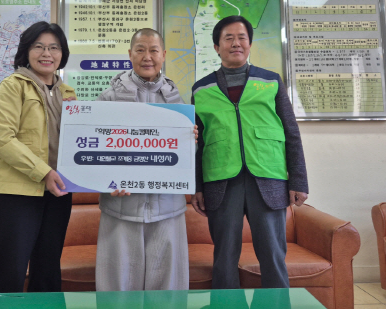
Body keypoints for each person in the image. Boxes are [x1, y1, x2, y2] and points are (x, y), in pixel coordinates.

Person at [190, 15, 308, 289]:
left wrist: (299, 181)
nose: (236, 43)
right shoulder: (201, 89)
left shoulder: (271, 81)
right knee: (224, 258)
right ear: (217, 47)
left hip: (268, 179)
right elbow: (197, 143)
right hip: (221, 183)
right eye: (228, 38)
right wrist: (197, 187)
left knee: (273, 256)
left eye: (242, 37)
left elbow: (291, 133)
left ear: (250, 44)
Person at [95, 28, 190, 291]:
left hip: (168, 208)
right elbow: (94, 150)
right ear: (130, 54)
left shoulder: (177, 100)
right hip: (121, 208)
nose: (147, 57)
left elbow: (185, 157)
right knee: (118, 289)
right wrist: (106, 182)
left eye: (153, 50)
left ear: (164, 55)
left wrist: (190, 139)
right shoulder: (108, 98)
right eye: (140, 50)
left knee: (167, 289)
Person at [0, 21, 76, 293]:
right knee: (10, 273)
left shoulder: (67, 93)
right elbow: (1, 139)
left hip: (58, 192)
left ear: (62, 54)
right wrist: (43, 172)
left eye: (54, 47)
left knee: (48, 270)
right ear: (26, 51)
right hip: (17, 194)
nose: (47, 53)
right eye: (39, 46)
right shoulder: (12, 87)